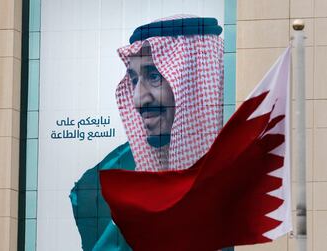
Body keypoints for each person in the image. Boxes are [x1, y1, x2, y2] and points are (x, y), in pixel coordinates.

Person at [70, 15, 224, 251]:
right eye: (133, 79)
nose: (138, 99)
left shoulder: (241, 169)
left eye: (153, 76)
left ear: (194, 83)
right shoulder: (101, 183)